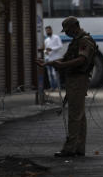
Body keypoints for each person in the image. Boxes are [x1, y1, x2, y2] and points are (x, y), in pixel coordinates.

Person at [36, 16, 96, 157]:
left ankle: (70, 149)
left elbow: (82, 59)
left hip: (78, 80)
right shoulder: (77, 41)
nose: (67, 33)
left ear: (75, 26)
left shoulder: (84, 41)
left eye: (68, 30)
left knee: (75, 115)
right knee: (79, 116)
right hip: (74, 80)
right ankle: (79, 148)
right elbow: (67, 58)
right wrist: (48, 63)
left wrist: (62, 66)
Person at [43, 25, 63, 91]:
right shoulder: (46, 40)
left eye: (49, 30)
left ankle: (58, 87)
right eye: (46, 31)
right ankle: (52, 87)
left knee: (55, 74)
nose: (48, 31)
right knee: (49, 74)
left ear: (51, 30)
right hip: (48, 59)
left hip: (55, 59)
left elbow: (60, 46)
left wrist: (52, 49)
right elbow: (45, 49)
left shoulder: (56, 37)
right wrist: (45, 51)